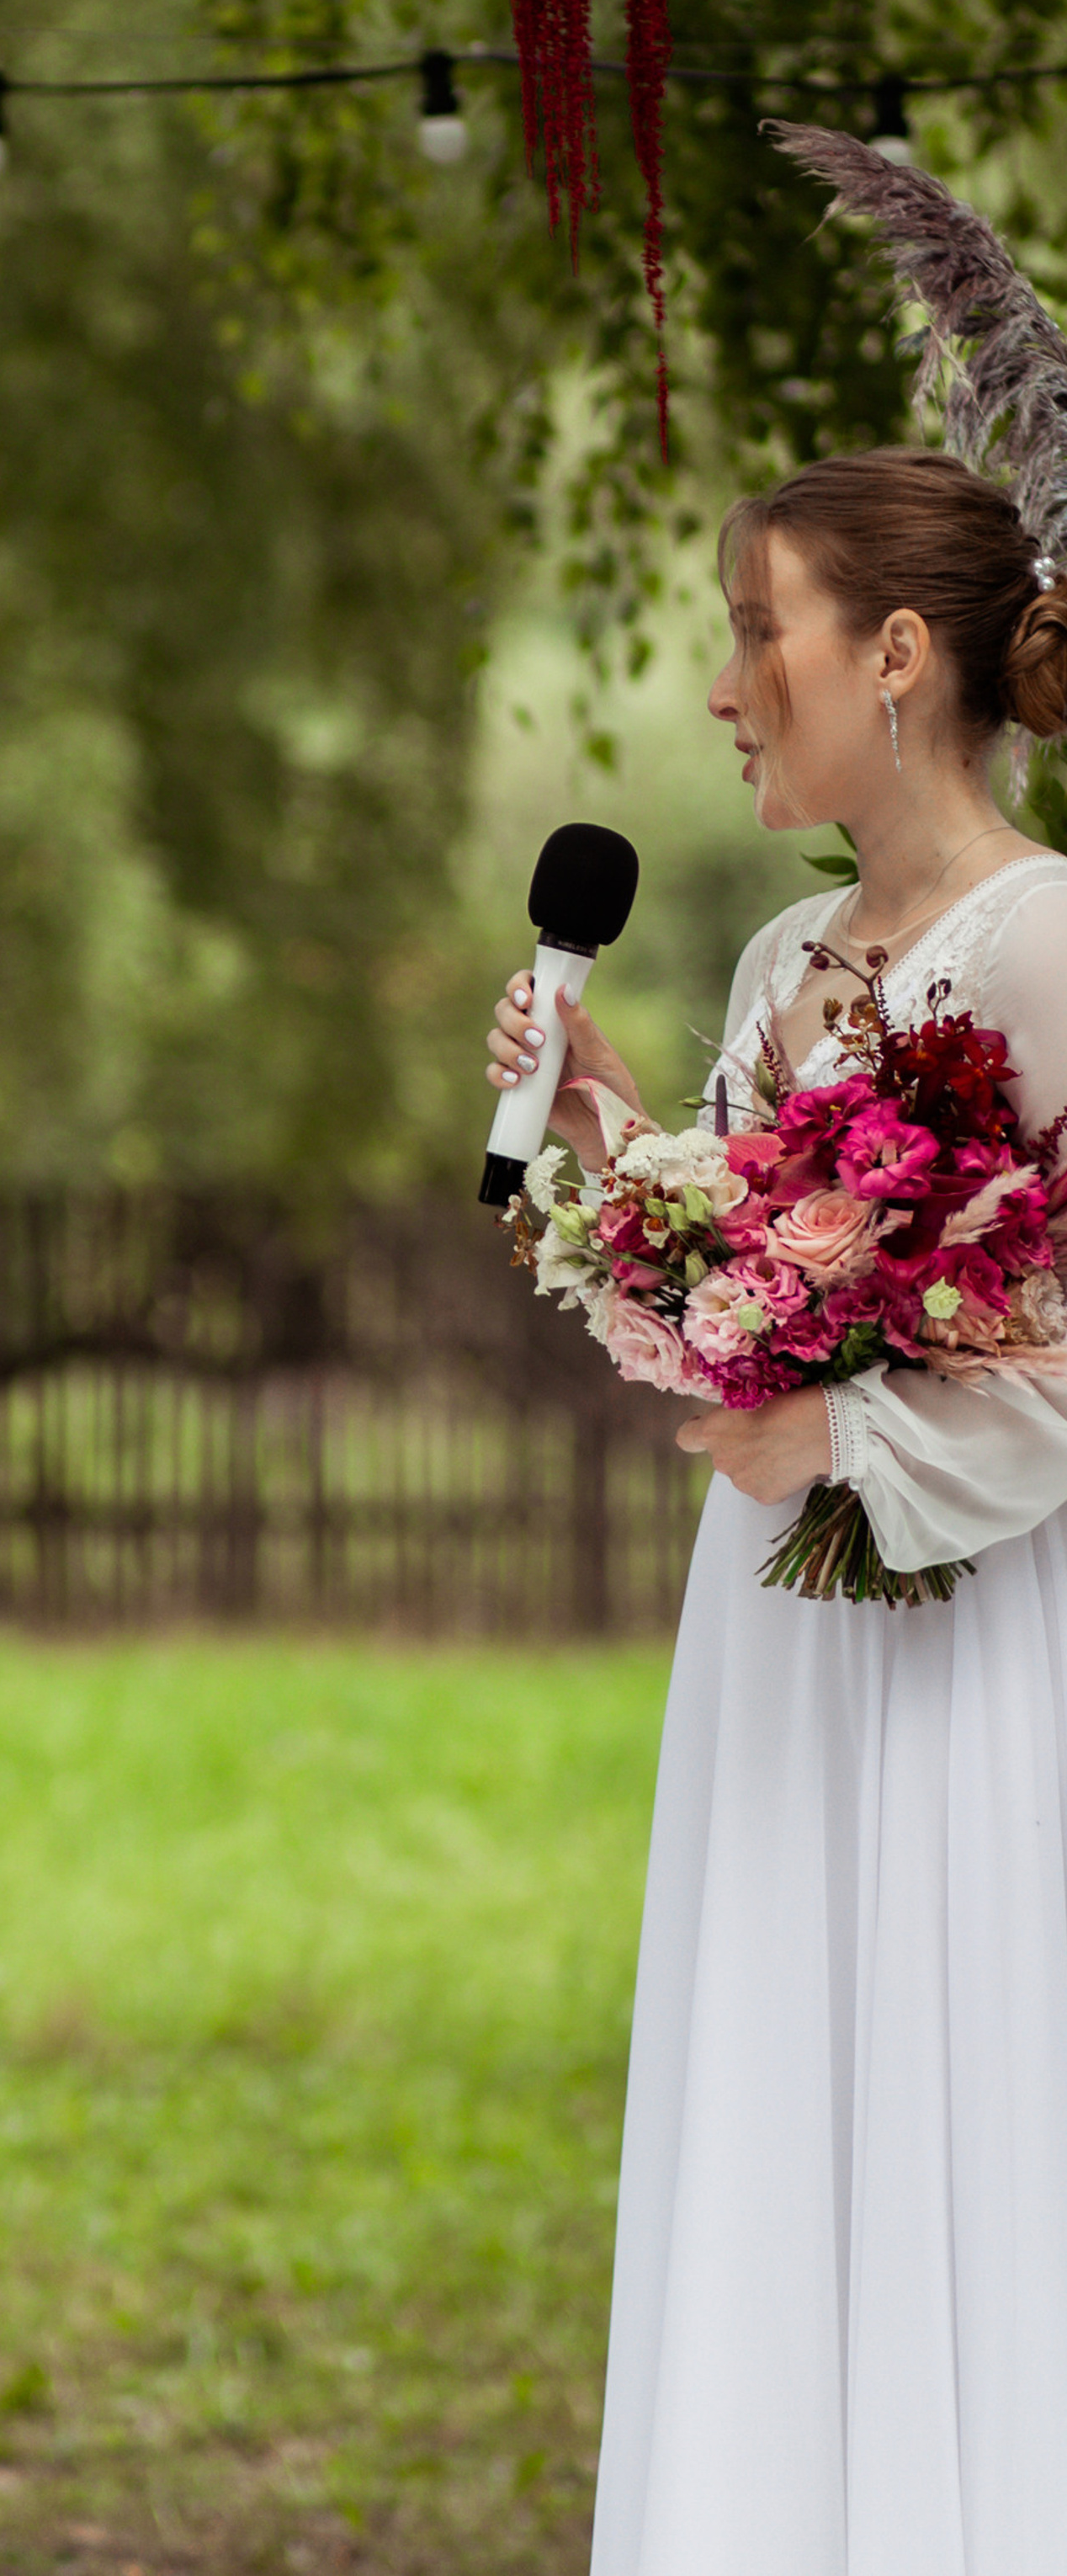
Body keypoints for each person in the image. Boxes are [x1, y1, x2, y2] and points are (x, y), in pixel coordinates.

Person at [485, 445, 1067, 2574]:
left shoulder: (1047, 944)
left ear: (892, 654)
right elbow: (741, 1299)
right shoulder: (774, 956)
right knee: (770, 2100)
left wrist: (861, 1452)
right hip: (772, 1633)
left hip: (962, 1640)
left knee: (939, 2101)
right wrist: (615, 1142)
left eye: (758, 630)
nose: (728, 687)